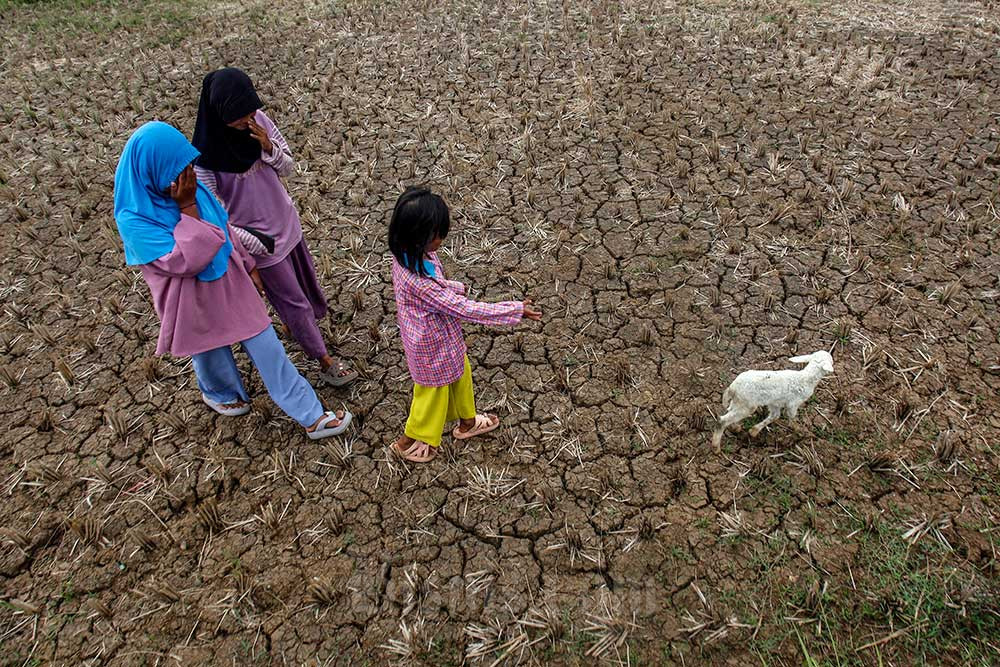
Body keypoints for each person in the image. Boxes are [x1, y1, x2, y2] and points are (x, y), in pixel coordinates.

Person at [113, 121, 351, 440]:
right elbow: (187, 260)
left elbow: (223, 227)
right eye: (178, 170)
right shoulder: (135, 218)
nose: (187, 176)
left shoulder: (190, 188)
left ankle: (310, 414)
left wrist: (249, 264)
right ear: (153, 171)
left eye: (188, 166)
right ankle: (221, 393)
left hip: (230, 282)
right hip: (191, 301)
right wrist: (187, 209)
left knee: (268, 347)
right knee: (209, 352)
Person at [191, 67, 356, 387]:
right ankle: (323, 360)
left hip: (287, 223)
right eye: (238, 115)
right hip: (261, 244)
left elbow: (288, 166)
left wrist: (268, 147)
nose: (247, 119)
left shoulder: (260, 123)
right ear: (219, 113)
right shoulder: (205, 162)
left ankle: (304, 326)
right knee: (291, 301)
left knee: (307, 289)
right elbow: (217, 219)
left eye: (251, 110)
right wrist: (256, 244)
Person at [387, 187, 542, 463]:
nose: (441, 239)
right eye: (437, 234)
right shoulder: (419, 282)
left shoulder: (408, 255)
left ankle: (468, 423)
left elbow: (441, 290)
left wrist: (452, 287)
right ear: (418, 235)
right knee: (429, 397)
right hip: (430, 349)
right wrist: (514, 309)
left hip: (443, 341)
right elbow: (466, 309)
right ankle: (407, 442)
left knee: (461, 375)